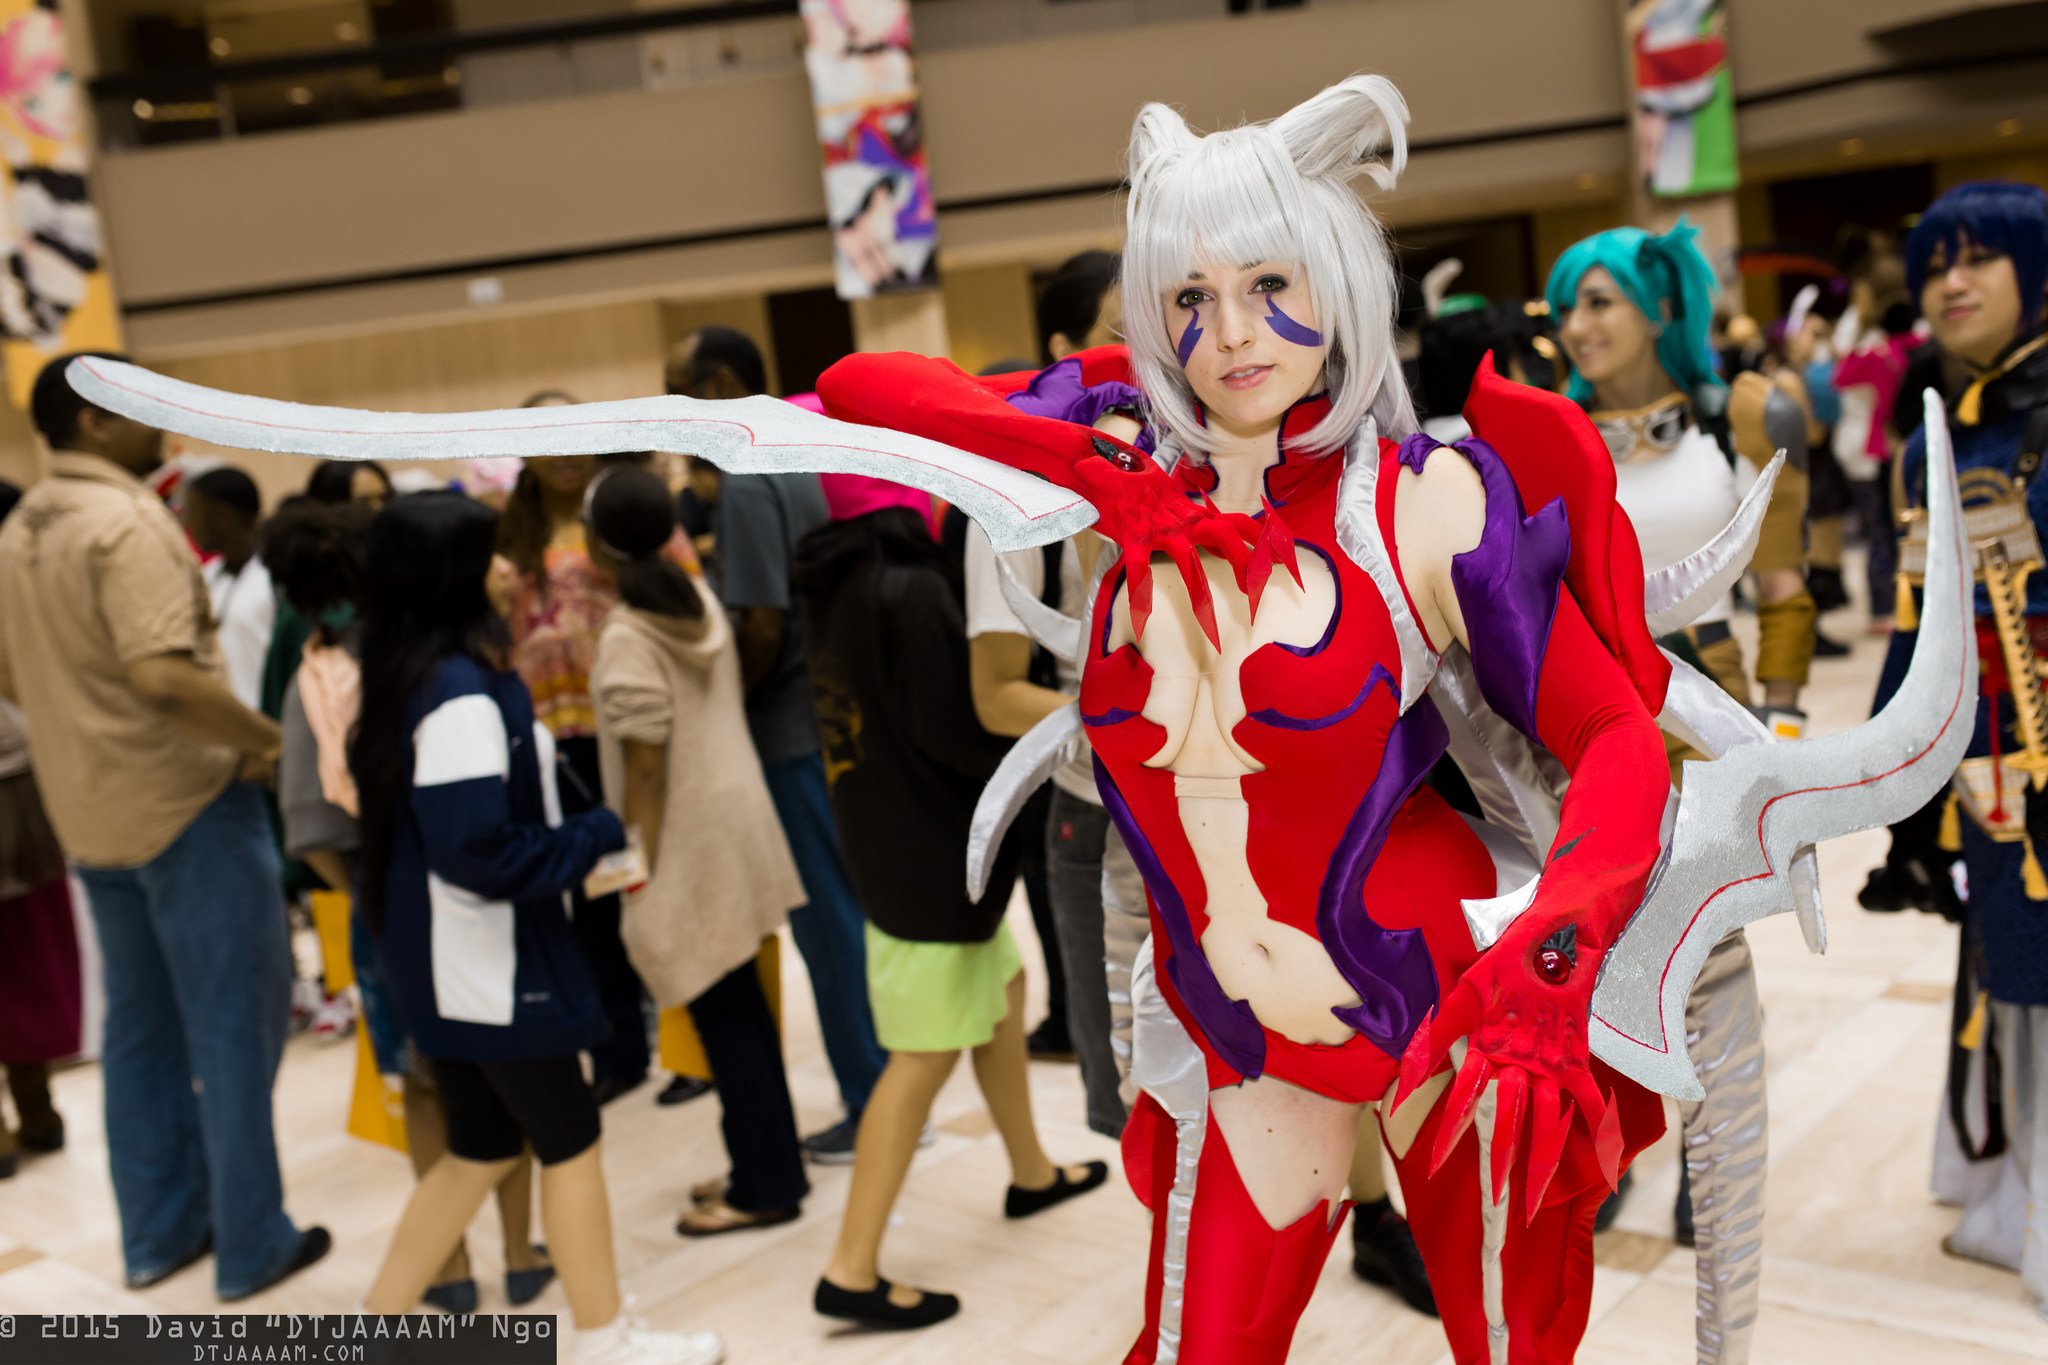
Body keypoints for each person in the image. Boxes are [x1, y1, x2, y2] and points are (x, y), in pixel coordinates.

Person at [349, 491, 722, 1365]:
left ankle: (372, 1329)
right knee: (571, 1141)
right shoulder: (460, 696)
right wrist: (592, 836)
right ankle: (603, 1340)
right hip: (495, 968)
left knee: (479, 1148)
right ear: (450, 577)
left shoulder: (419, 677)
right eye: (489, 556)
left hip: (455, 968)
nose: (509, 569)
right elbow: (479, 852)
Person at [0, 353, 327, 1300]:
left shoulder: (21, 524)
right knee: (234, 1027)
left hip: (89, 815)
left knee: (139, 1038)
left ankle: (158, 1235)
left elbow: (17, 676)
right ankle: (252, 1242)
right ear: (94, 421)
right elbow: (163, 676)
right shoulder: (128, 520)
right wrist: (273, 744)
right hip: (185, 806)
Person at [1547, 222, 1813, 1355]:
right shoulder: (1544, 434)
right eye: (1567, 306)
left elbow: (1786, 589)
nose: (1579, 325)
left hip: (1710, 729)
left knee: (1709, 963)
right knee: (1595, 953)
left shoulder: (1741, 416)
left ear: (1661, 306)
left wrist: (1786, 743)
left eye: (1601, 301)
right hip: (1586, 730)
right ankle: (1602, 1152)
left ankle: (1716, 1166)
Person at [793, 476, 1108, 1329]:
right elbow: (963, 722)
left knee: (1001, 992)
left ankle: (1030, 1170)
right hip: (928, 853)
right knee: (920, 1057)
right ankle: (851, 1266)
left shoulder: (836, 584)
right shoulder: (910, 587)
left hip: (881, 831)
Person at [263, 497, 552, 1314]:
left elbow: (310, 827)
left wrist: (365, 890)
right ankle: (525, 1250)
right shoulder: (439, 661)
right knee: (519, 1078)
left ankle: (452, 1267)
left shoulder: (313, 677)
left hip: (386, 911)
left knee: (427, 1083)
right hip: (467, 899)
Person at [1875, 180, 2048, 1319]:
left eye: (1980, 258)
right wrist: (1889, 790)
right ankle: (2011, 1184)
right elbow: (1912, 624)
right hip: (1982, 761)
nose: (1951, 281)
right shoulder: (1932, 435)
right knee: (2005, 958)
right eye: (1937, 262)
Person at [668, 326, 889, 1162]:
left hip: (789, 725)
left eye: (679, 386)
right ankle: (887, 1083)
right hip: (834, 707)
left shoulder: (744, 465)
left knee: (827, 928)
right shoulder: (801, 443)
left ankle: (872, 1096)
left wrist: (721, 688)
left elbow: (760, 620)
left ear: (721, 383)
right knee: (851, 910)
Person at [586, 466, 811, 1237]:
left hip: (683, 840)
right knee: (739, 1006)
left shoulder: (627, 631)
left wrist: (630, 859)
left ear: (597, 545)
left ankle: (765, 1184)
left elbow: (644, 765)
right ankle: (766, 1160)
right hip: (736, 823)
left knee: (728, 1020)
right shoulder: (698, 599)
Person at [965, 249, 1131, 1126]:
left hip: (1220, 803)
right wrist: (1134, 722)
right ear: (1064, 350)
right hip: (1098, 811)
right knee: (1134, 1092)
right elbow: (995, 693)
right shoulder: (1012, 497)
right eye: (1119, 334)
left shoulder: (1204, 454)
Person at [499, 426, 657, 1107]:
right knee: (587, 901)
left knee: (642, 880)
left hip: (629, 727)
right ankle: (619, 1044)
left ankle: (677, 1038)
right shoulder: (509, 534)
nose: (563, 453)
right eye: (546, 440)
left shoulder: (621, 514)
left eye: (575, 437)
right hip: (547, 738)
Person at [0, 483, 80, 1182]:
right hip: (20, 783)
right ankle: (36, 1109)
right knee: (28, 950)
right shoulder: (25, 587)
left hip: (20, 782)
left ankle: (27, 1113)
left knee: (27, 948)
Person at [183, 465, 276, 712]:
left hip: (269, 724)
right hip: (222, 724)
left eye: (191, 512)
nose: (187, 524)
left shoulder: (276, 578)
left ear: (222, 516)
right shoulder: (207, 575)